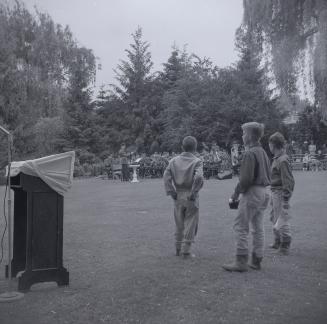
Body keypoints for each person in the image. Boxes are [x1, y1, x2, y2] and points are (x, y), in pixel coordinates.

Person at [222, 122, 270, 272]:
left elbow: (246, 179)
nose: (242, 136)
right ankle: (257, 260)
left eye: (243, 133)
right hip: (264, 192)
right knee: (258, 227)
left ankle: (241, 262)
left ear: (249, 136)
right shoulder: (262, 152)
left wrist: (236, 193)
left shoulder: (250, 153)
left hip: (253, 192)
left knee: (240, 226)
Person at [163, 136, 204, 258]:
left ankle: (177, 248)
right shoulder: (197, 161)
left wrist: (171, 191)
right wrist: (194, 191)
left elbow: (166, 177)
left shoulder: (173, 161)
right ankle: (186, 250)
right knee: (191, 222)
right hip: (190, 195)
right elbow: (199, 177)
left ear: (182, 147)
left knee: (179, 222)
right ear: (195, 148)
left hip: (178, 194)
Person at [268, 132, 295, 255]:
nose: (269, 146)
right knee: (274, 216)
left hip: (280, 193)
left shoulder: (283, 160)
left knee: (282, 218)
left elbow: (288, 181)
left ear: (273, 145)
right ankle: (278, 240)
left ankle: (285, 245)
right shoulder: (277, 159)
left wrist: (285, 199)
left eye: (269, 144)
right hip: (274, 192)